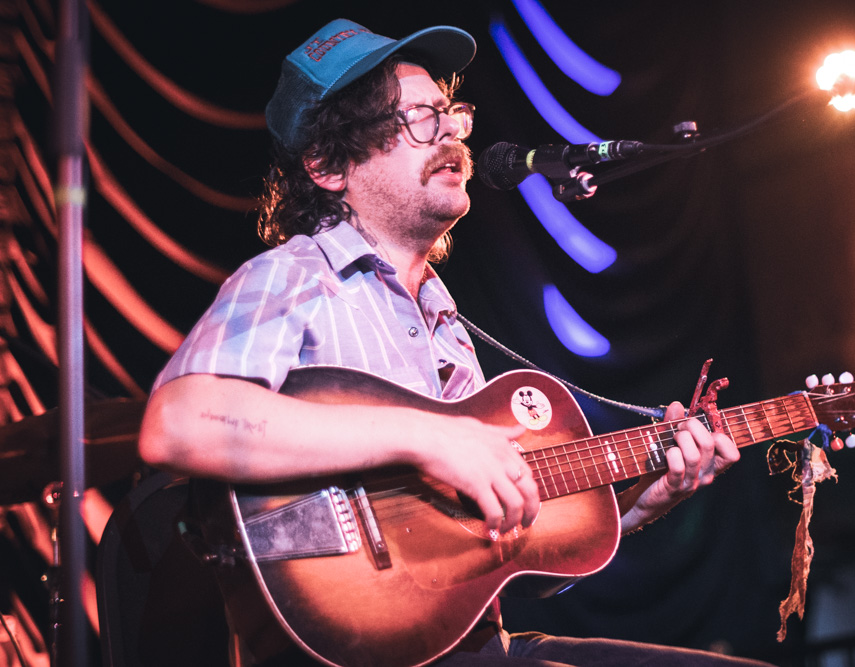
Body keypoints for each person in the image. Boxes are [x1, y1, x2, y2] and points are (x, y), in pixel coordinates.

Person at [138, 18, 772, 667]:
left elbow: (507, 548)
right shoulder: (295, 277)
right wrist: (424, 436)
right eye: (414, 118)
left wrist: (640, 502)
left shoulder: (443, 315)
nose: (448, 132)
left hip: (478, 646)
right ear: (328, 164)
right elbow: (176, 423)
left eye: (450, 112)